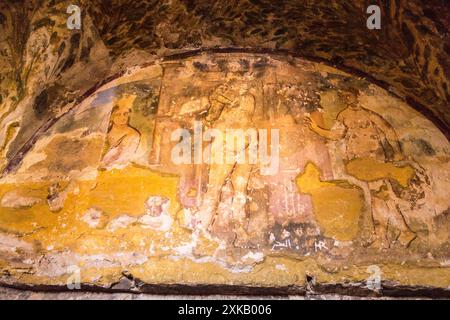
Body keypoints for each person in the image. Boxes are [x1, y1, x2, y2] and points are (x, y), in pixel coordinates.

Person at [306, 87, 416, 248]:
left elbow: (388, 130)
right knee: (379, 197)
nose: (347, 98)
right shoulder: (344, 115)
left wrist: (398, 151)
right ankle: (388, 235)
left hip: (374, 159)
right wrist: (316, 129)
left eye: (349, 94)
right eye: (344, 96)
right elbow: (336, 134)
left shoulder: (369, 115)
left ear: (358, 95)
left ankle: (394, 234)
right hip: (359, 162)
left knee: (380, 197)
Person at [100, 94, 141, 169]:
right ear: (111, 116)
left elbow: (122, 159)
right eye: (118, 114)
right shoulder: (104, 132)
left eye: (125, 114)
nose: (123, 118)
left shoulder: (133, 135)